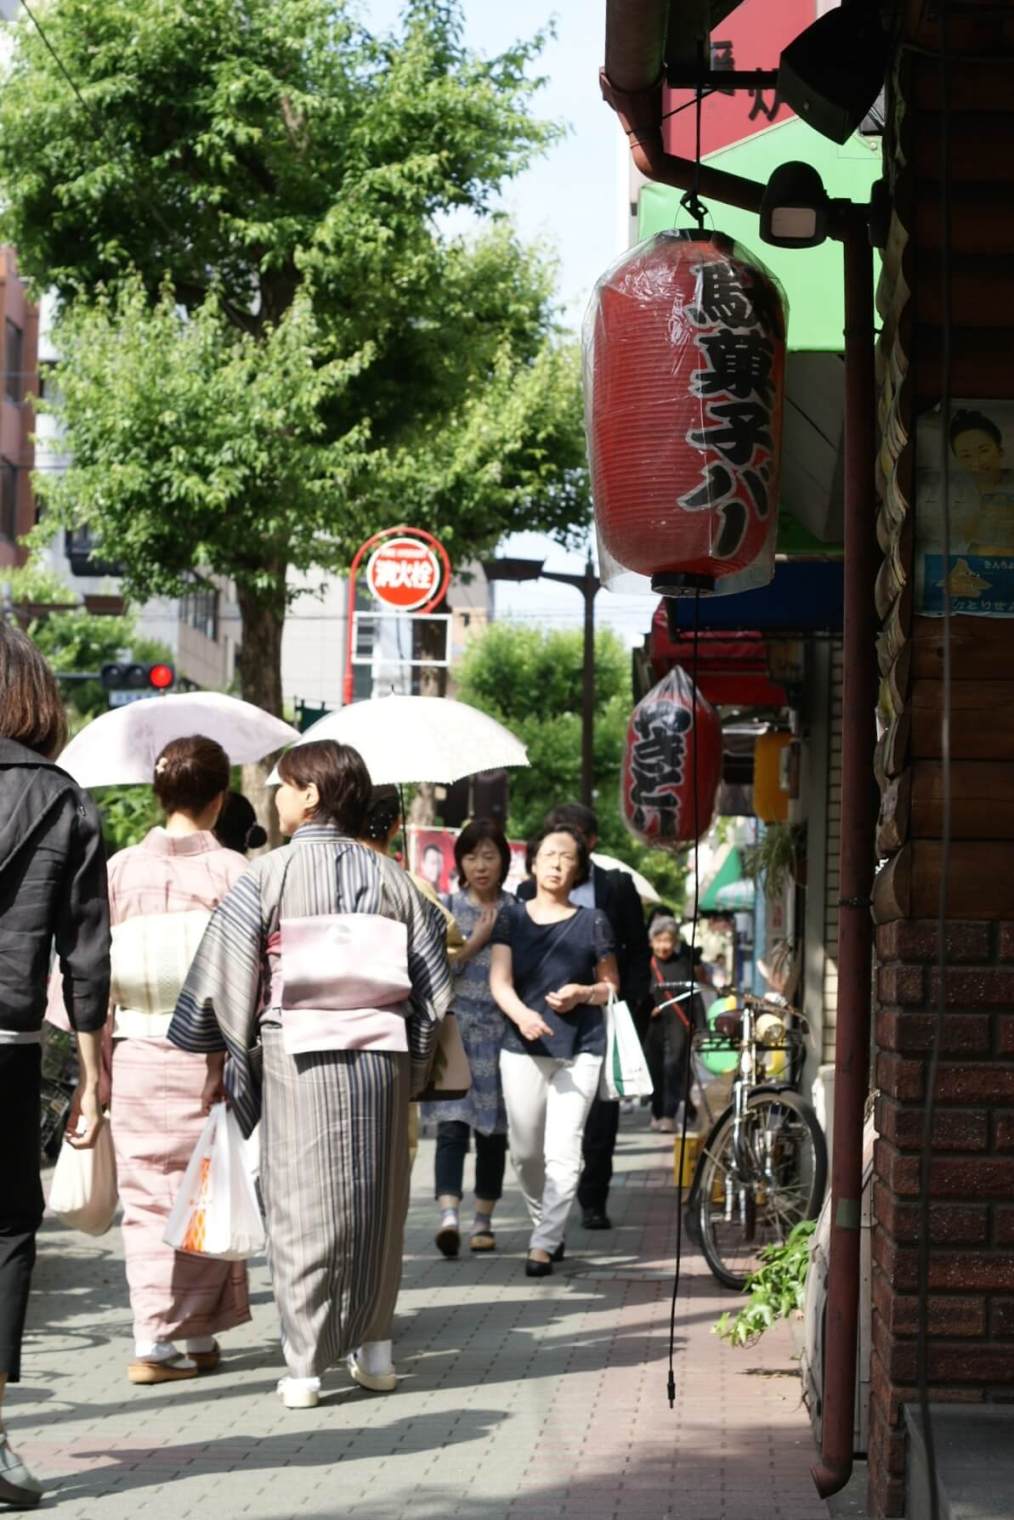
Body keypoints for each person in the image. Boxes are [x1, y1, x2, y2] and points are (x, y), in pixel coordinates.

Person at [169, 741, 451, 1409]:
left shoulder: (267, 875)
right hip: (380, 1055)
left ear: (313, 795)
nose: (276, 796)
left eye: (285, 785)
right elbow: (433, 990)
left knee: (301, 1205)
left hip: (297, 1050)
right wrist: (411, 1064)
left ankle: (303, 1369)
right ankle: (375, 1351)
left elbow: (227, 977)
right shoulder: (393, 880)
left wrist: (231, 1058)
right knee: (377, 1203)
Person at [0, 624, 110, 1509]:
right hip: (7, 1045)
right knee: (4, 1228)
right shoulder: (64, 800)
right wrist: (91, 1067)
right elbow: (85, 953)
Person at [105, 737, 251, 1385]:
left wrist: (95, 1066)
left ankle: (155, 1339)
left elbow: (85, 974)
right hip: (209, 1051)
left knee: (144, 1196)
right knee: (206, 1189)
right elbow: (251, 976)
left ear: (158, 795)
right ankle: (188, 1338)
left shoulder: (117, 870)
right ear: (219, 800)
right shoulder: (235, 874)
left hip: (135, 1045)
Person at [490, 824, 619, 1278]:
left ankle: (543, 1244)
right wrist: (523, 1016)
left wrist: (584, 993)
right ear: (533, 863)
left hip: (579, 1048)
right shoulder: (512, 916)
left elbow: (610, 987)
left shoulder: (594, 920)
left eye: (567, 857)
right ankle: (546, 1224)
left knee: (563, 1150)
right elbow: (499, 981)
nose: (557, 863)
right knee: (525, 1153)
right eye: (549, 855)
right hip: (521, 1046)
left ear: (579, 869)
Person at [517, 803, 650, 1230]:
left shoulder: (616, 886)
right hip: (543, 1016)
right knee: (535, 1128)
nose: (558, 853)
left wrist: (624, 1004)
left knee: (599, 1115)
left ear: (588, 843)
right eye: (551, 840)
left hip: (601, 1010)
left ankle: (593, 1199)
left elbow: (637, 949)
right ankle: (546, 1210)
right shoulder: (524, 894)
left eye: (569, 839)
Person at [424, 818, 511, 1258]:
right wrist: (476, 940)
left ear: (503, 861)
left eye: (489, 856)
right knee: (452, 1127)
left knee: (493, 1132)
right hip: (455, 1030)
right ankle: (448, 1218)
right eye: (472, 856)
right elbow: (435, 972)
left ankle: (484, 1220)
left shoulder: (516, 910)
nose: (480, 865)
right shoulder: (445, 907)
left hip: (501, 1035)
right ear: (459, 861)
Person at [643, 916, 704, 1134]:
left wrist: (702, 1028)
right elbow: (639, 996)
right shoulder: (645, 965)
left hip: (679, 1024)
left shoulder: (683, 964)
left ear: (675, 941)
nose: (663, 946)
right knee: (654, 1069)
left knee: (673, 1067)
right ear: (651, 942)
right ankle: (657, 1112)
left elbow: (695, 997)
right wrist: (646, 1008)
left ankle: (668, 1115)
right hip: (653, 1026)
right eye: (659, 940)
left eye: (667, 940)